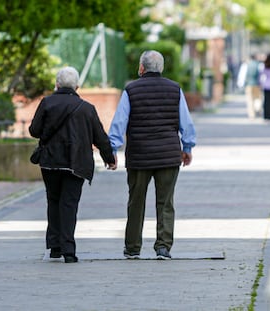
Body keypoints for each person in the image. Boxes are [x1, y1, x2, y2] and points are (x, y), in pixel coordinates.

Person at [108, 50, 196, 260]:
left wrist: (112, 150)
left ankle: (132, 247)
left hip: (139, 156)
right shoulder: (175, 89)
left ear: (141, 68)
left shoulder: (131, 90)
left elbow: (119, 123)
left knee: (135, 202)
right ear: (162, 68)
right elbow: (186, 123)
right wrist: (187, 147)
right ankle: (163, 247)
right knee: (165, 203)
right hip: (168, 155)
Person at [29, 66, 116, 263]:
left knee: (53, 200)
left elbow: (34, 130)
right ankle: (69, 250)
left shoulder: (47, 103)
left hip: (50, 162)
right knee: (69, 204)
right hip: (76, 163)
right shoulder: (87, 108)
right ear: (77, 86)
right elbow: (100, 137)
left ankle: (54, 247)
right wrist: (109, 158)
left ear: (57, 84)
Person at [237, 54, 262, 118]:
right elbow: (261, 75)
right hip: (257, 84)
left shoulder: (246, 65)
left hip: (248, 85)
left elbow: (242, 75)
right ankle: (257, 108)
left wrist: (240, 85)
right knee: (257, 98)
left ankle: (251, 114)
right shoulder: (259, 65)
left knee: (250, 100)